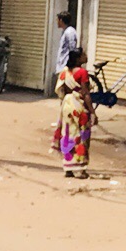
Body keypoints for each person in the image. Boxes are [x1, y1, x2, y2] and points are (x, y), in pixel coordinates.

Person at [54, 46, 92, 177]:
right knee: (82, 136)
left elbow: (61, 90)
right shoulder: (82, 72)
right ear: (78, 59)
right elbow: (86, 93)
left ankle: (68, 167)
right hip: (78, 106)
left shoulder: (65, 72)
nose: (86, 56)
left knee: (68, 134)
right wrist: (92, 111)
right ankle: (80, 169)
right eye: (83, 55)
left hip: (67, 105)